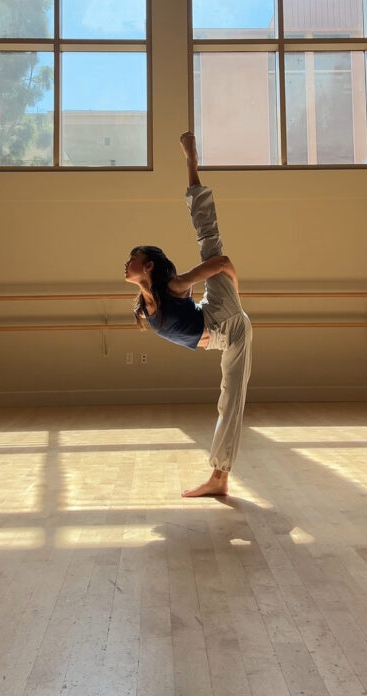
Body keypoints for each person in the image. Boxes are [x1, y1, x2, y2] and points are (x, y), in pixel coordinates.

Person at [124, 130, 252, 497]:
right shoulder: (145, 308)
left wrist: (234, 301)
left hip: (225, 319)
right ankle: (220, 480)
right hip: (220, 332)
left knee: (209, 240)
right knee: (228, 401)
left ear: (147, 265)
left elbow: (222, 262)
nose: (125, 264)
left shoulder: (174, 286)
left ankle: (191, 161)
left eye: (131, 259)